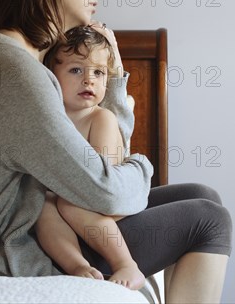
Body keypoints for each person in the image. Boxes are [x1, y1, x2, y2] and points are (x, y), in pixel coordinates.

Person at [0, 0, 232, 303]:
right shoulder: (14, 73)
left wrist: (113, 80)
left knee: (201, 194)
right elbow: (106, 191)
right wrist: (141, 168)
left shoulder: (17, 61)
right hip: (18, 252)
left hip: (39, 227)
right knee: (209, 220)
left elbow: (103, 161)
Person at [37, 25, 144, 289]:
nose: (89, 80)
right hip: (65, 204)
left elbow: (103, 182)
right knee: (42, 206)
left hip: (103, 204)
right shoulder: (48, 118)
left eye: (98, 72)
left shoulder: (101, 118)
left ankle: (125, 264)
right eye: (76, 70)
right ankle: (77, 265)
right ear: (51, 76)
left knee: (67, 203)